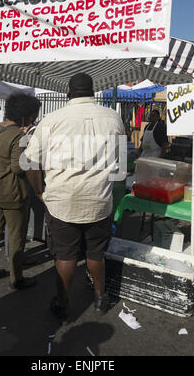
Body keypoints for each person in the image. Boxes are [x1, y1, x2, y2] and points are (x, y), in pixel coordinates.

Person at [24, 73, 126, 320]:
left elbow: (29, 161)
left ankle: (62, 301)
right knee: (95, 254)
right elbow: (121, 167)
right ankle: (101, 298)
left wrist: (39, 192)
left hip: (62, 200)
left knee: (66, 255)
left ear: (68, 93)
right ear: (92, 92)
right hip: (99, 200)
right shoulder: (113, 118)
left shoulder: (52, 120)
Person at [0, 92, 40, 290]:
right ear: (25, 115)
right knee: (16, 235)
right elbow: (18, 167)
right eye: (33, 115)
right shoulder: (19, 136)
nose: (34, 119)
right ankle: (17, 279)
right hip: (12, 192)